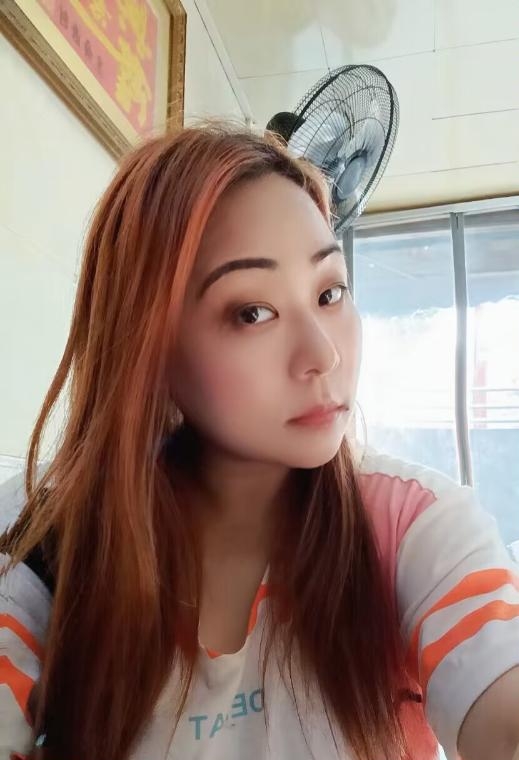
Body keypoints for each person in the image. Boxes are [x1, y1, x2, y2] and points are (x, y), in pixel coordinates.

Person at [0, 122, 518, 760]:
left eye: (329, 292)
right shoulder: (52, 538)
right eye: (253, 312)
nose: (323, 353)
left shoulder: (410, 527)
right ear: (149, 348)